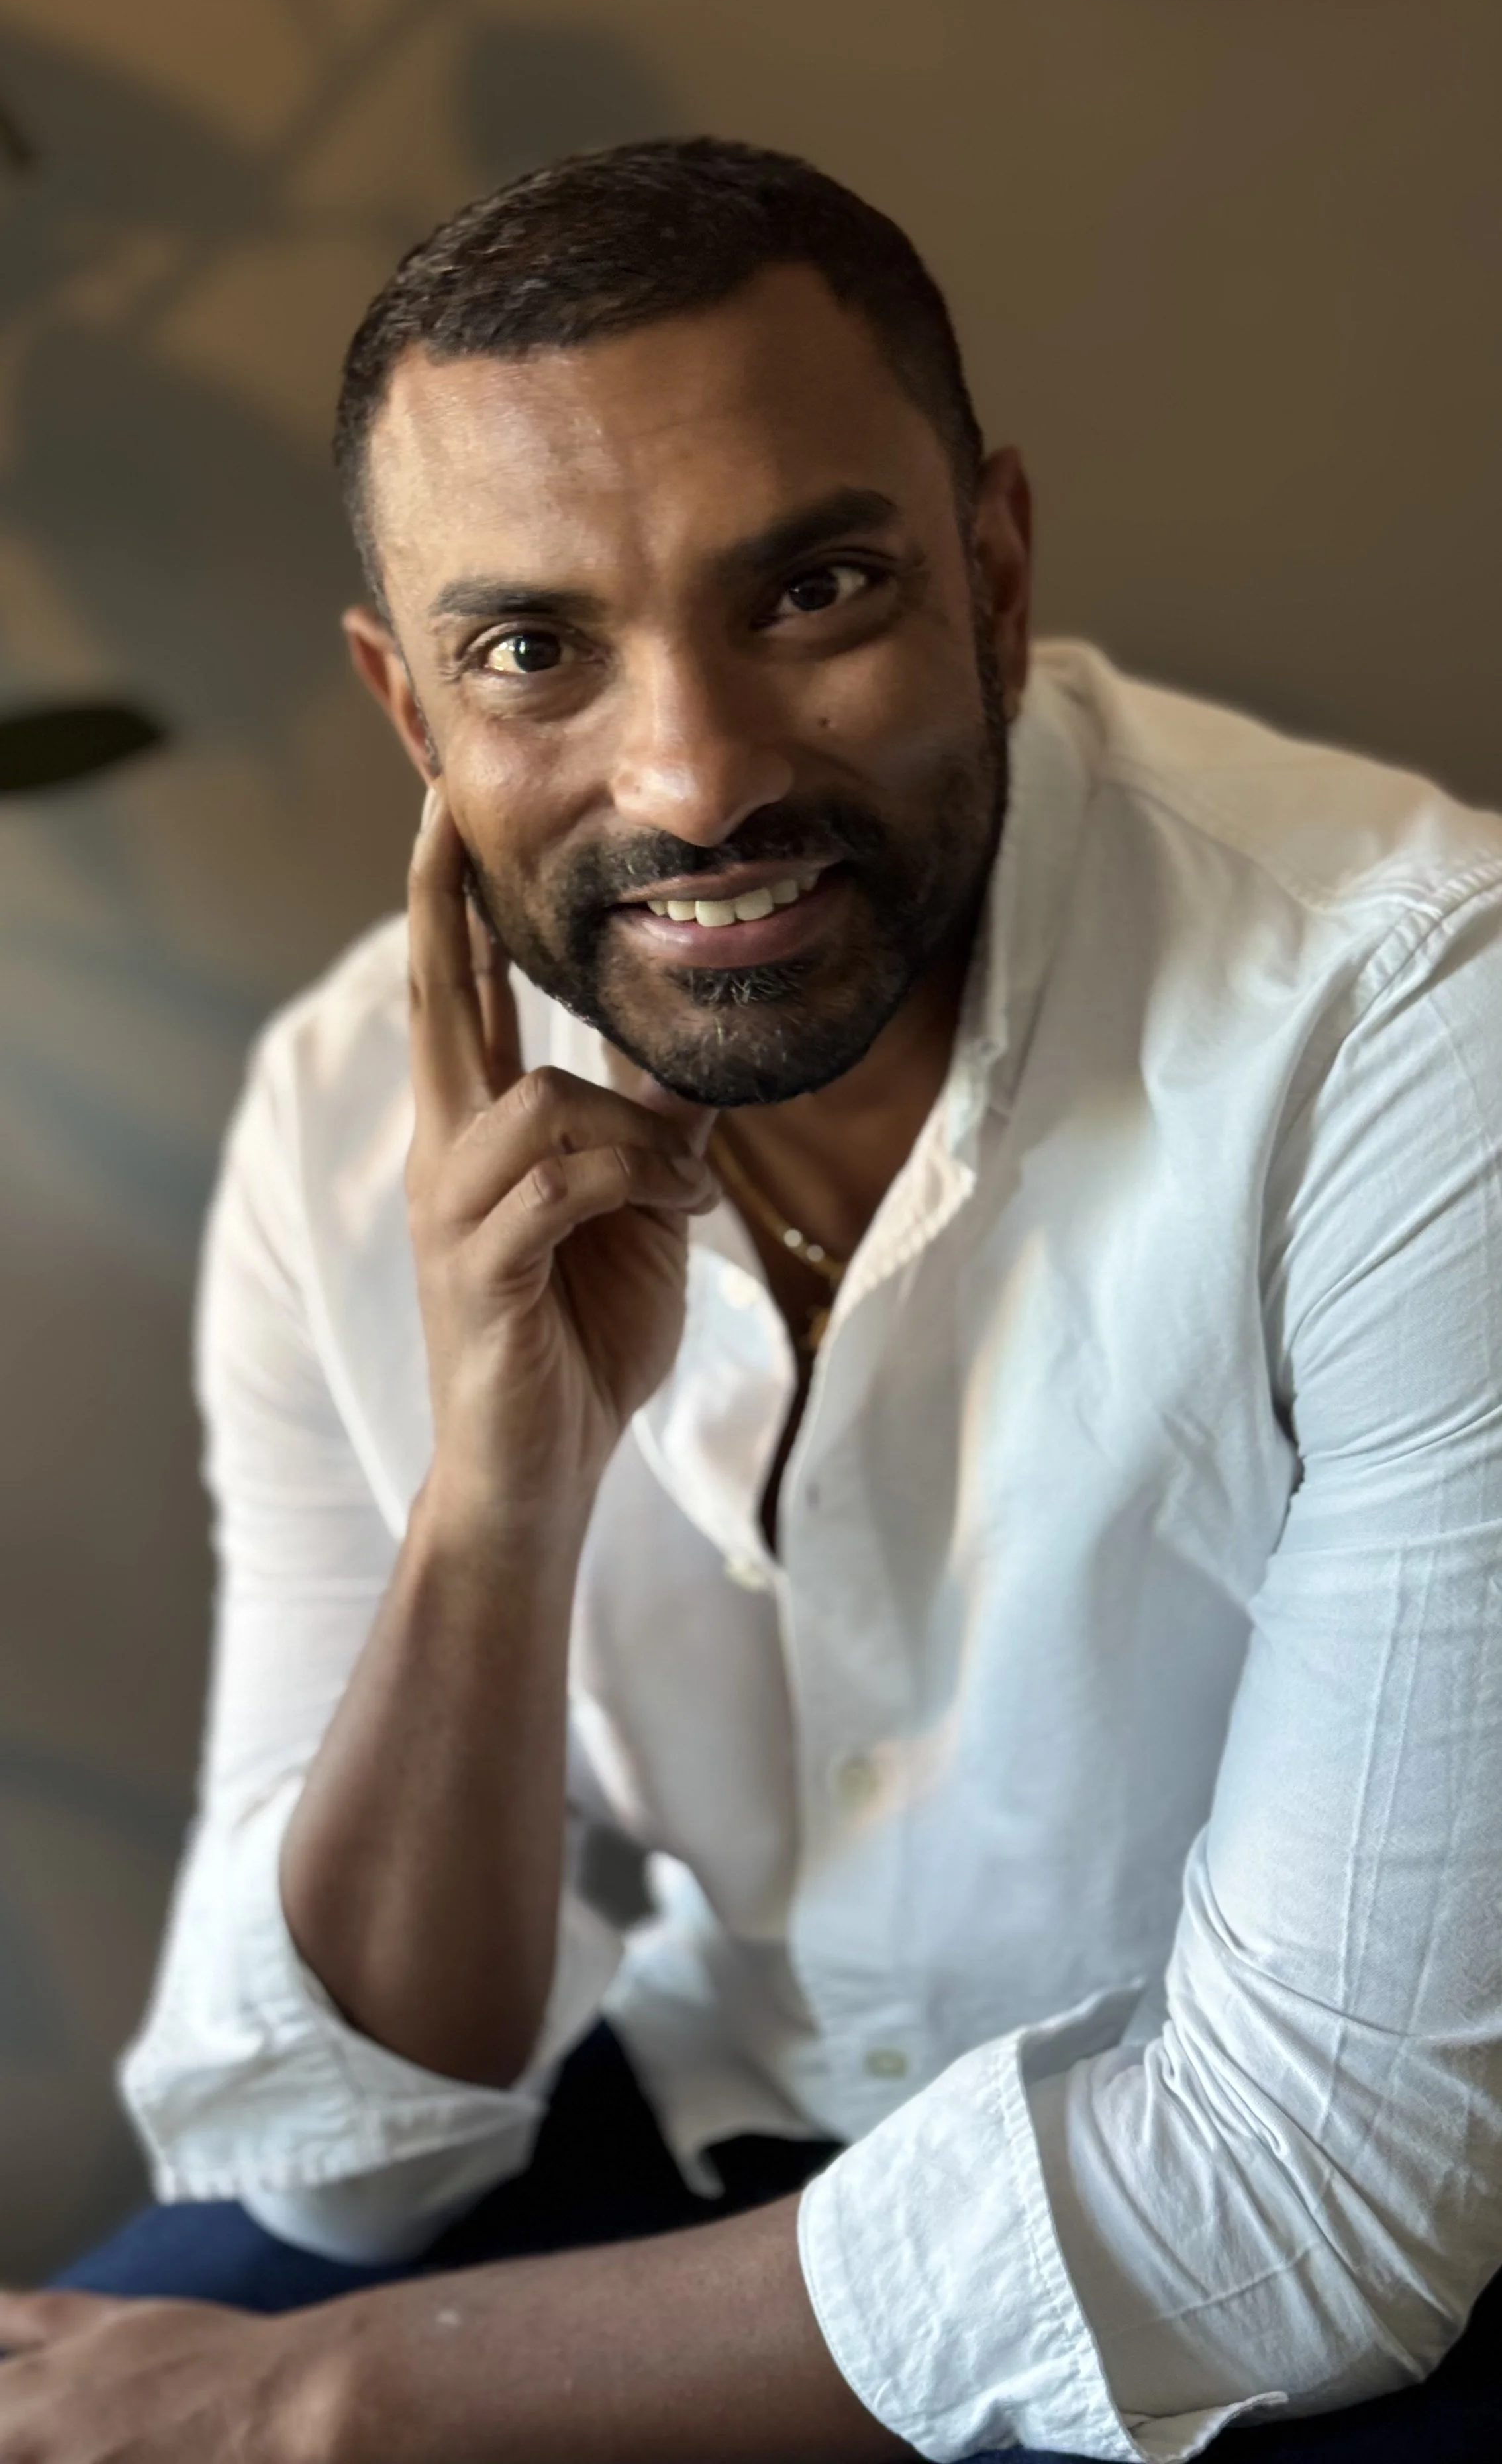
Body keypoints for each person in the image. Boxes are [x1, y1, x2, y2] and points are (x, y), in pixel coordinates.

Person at [1, 138, 1498, 2463]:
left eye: (810, 592)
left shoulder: (1414, 1026)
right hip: (727, 2126)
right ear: (414, 715)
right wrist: (498, 1504)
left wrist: (324, 2403)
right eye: (534, 652)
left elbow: (1319, 2192)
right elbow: (324, 2151)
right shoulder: (334, 1119)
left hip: (1355, 2276)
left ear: (992, 575)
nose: (693, 778)